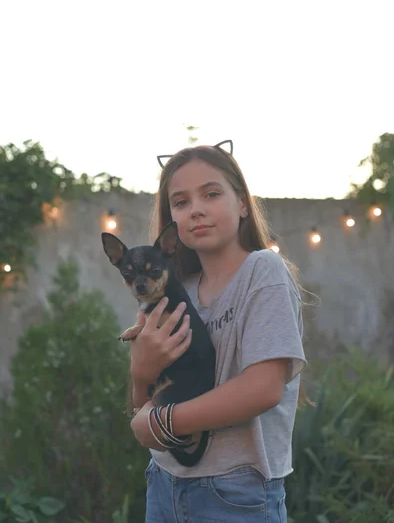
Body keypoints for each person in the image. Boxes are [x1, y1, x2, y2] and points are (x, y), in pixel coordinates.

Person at [129, 141, 307, 523]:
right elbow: (143, 405)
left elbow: (263, 389)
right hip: (163, 479)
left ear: (242, 203)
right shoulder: (179, 289)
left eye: (211, 194)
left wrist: (163, 422)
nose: (196, 209)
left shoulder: (262, 272)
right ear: (170, 223)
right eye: (180, 203)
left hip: (236, 490)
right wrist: (140, 373)